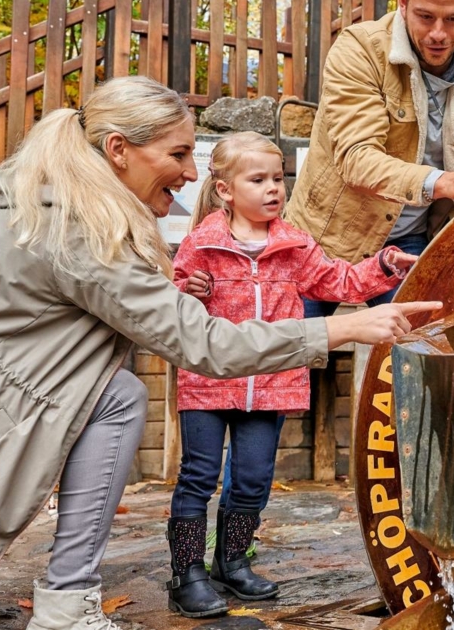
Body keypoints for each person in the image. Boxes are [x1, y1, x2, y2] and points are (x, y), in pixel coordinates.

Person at [0, 77, 438, 630]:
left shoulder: (68, 203)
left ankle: (46, 599)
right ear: (119, 150)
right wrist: (346, 331)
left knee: (111, 402)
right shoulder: (81, 231)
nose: (187, 173)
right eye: (177, 154)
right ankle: (65, 603)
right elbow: (202, 343)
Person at [165, 132, 415, 617]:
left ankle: (232, 561)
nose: (273, 189)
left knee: (253, 478)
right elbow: (170, 304)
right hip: (207, 383)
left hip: (272, 383)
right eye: (258, 180)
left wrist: (384, 265)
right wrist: (188, 290)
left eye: (278, 179)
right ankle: (187, 573)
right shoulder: (202, 244)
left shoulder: (295, 245)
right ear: (225, 190)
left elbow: (340, 281)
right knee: (198, 476)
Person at [286, 0, 454, 317]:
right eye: (425, 17)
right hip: (325, 237)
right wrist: (439, 181)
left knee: (423, 340)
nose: (438, 33)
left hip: (408, 242)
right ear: (403, 4)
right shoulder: (361, 49)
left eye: (453, 19)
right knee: (293, 344)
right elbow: (356, 157)